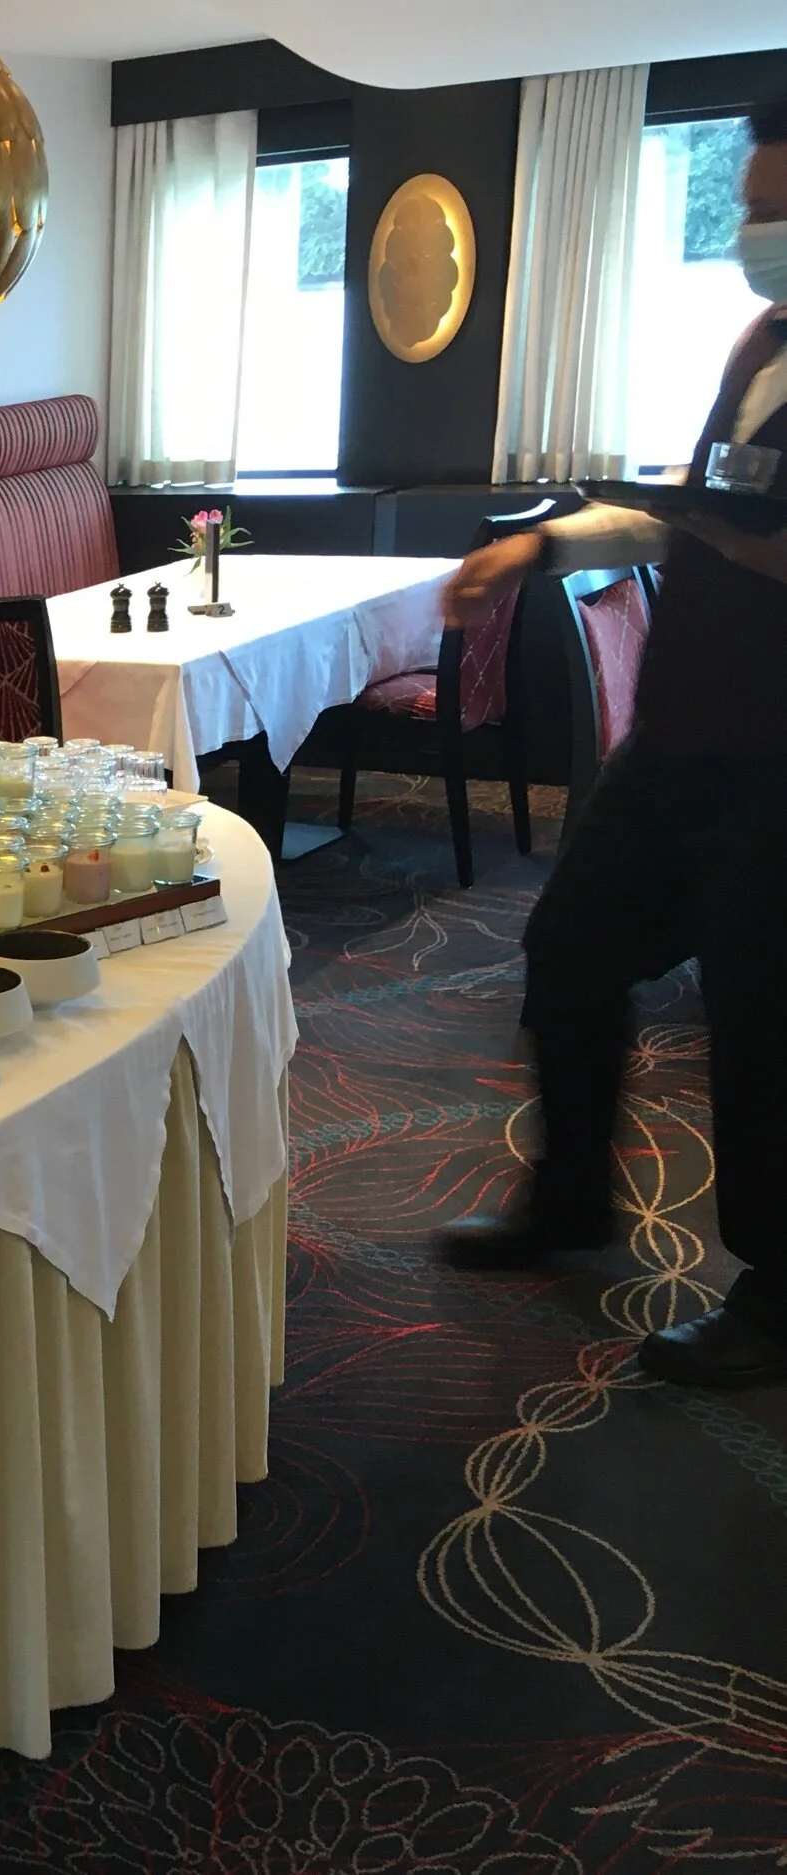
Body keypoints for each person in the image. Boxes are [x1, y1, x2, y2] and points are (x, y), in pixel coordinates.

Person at [435, 94, 787, 1387]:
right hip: (680, 742)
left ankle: (777, 1300)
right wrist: (537, 545)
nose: (755, 234)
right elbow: (683, 513)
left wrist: (738, 539)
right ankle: (570, 1200)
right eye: (753, 209)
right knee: (569, 948)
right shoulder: (759, 341)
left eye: (776, 212)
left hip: (776, 767)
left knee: (763, 1034)